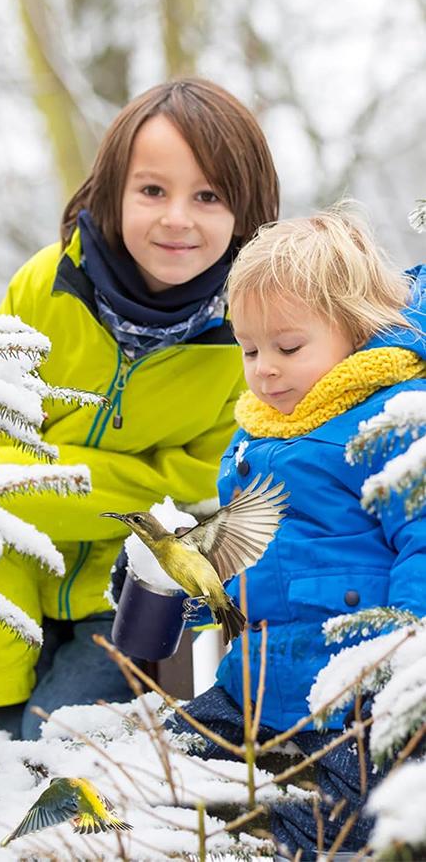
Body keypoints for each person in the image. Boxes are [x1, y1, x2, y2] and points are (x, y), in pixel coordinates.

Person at [0, 78, 280, 740]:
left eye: (208, 196)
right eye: (153, 191)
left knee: (63, 746)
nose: (177, 218)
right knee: (8, 760)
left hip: (136, 605)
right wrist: (127, 474)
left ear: (246, 212)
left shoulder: (250, 333)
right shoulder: (46, 287)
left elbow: (191, 496)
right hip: (9, 587)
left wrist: (43, 479)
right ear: (113, 192)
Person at [170, 206, 426, 857]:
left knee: (328, 828)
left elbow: (421, 538)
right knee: (162, 773)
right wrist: (183, 578)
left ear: (356, 331)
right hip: (252, 687)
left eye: (288, 348)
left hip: (350, 703)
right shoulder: (255, 434)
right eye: (249, 349)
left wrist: (398, 668)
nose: (265, 369)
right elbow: (242, 553)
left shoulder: (390, 421)